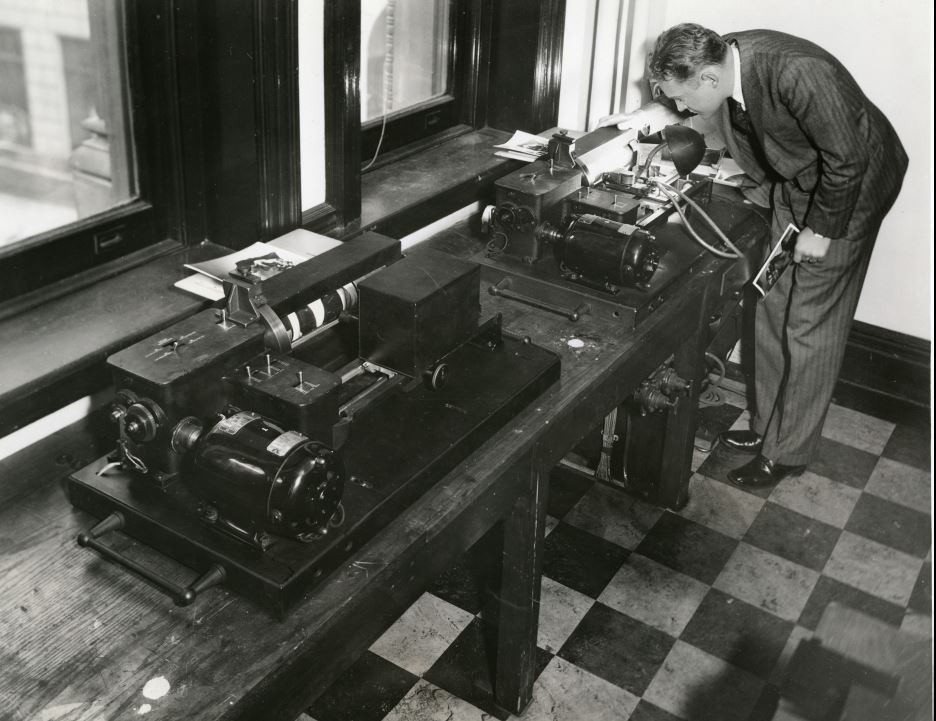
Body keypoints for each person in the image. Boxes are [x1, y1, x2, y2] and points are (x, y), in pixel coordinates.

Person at [635, 24, 907, 487]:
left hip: (851, 190)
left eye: (683, 98)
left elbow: (848, 160)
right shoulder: (722, 59)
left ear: (707, 80)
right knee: (767, 300)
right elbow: (752, 126)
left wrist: (821, 231)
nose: (682, 108)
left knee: (808, 321)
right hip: (798, 181)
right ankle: (765, 426)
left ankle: (788, 452)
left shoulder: (799, 72)